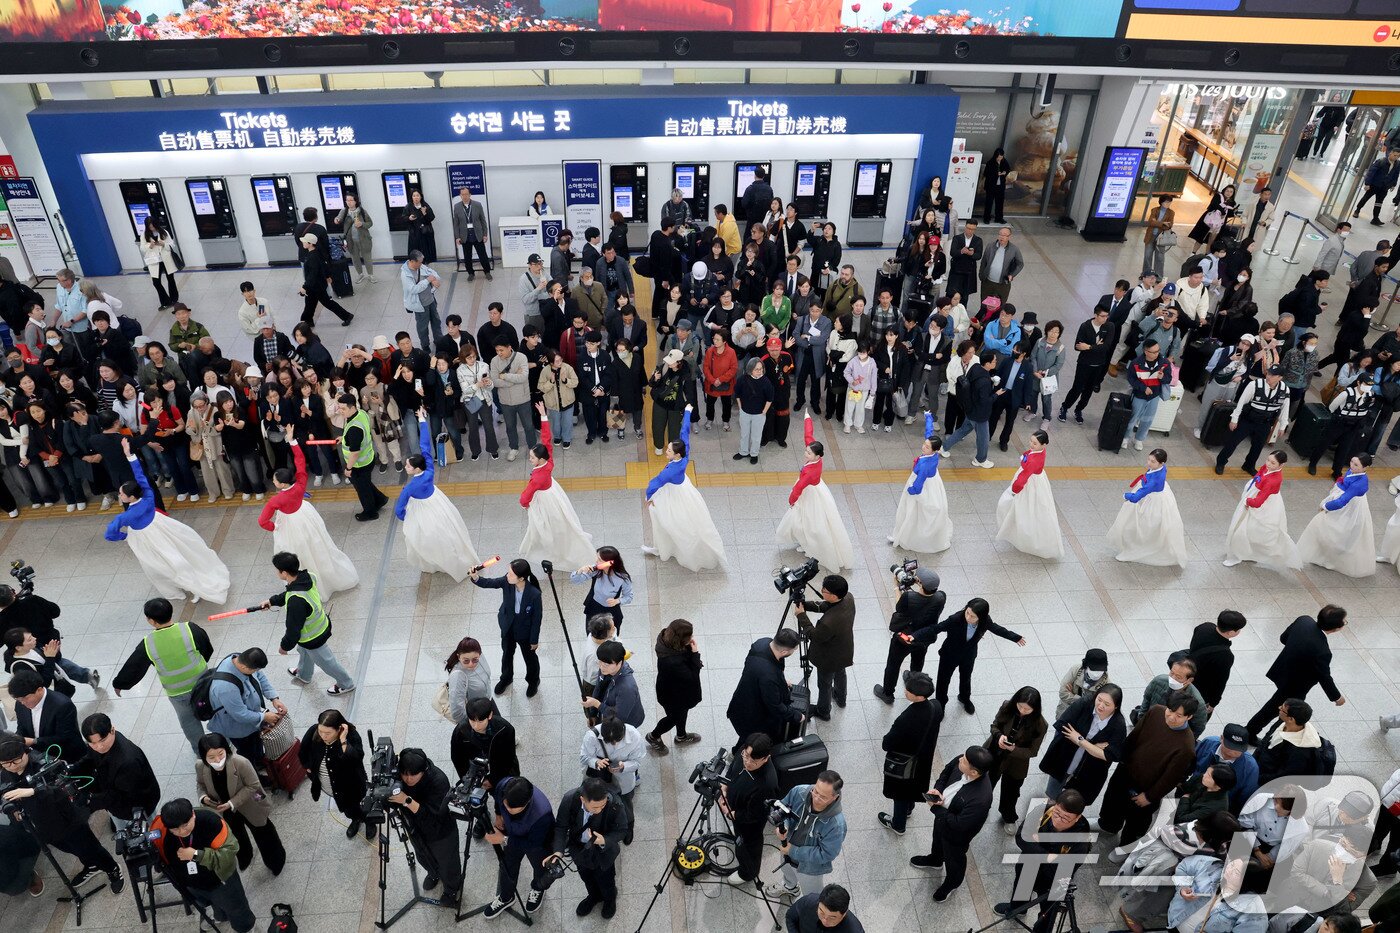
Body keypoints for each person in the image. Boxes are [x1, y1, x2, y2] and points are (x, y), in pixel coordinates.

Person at [103, 438, 230, 603]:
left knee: (158, 568)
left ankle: (179, 591)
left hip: (146, 539)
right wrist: (129, 455)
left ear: (131, 497)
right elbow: (140, 475)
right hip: (164, 527)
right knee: (181, 556)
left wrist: (125, 536)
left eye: (121, 494)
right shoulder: (148, 494)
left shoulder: (125, 516)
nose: (120, 495)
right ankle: (195, 585)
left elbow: (109, 533)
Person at [0, 734, 124, 893]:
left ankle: (112, 869)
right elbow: (6, 795)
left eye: (16, 761)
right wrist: (14, 810)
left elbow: (62, 789)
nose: (12, 766)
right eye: (6, 764)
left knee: (90, 848)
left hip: (67, 819)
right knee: (71, 849)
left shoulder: (43, 763)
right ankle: (92, 865)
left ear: (26, 751)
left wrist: (33, 791)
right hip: (43, 826)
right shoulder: (6, 773)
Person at [1097, 691, 1199, 849]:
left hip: (1146, 788)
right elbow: (1135, 735)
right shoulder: (1156, 711)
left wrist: (1150, 796)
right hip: (1126, 772)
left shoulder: (1186, 746)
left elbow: (1170, 778)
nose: (1171, 717)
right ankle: (1107, 826)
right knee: (1112, 802)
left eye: (1179, 716)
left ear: (1189, 717)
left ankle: (1125, 848)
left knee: (1136, 821)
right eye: (1170, 710)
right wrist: (1120, 758)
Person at [256, 437, 357, 596]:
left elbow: (262, 521)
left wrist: (274, 527)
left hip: (290, 523)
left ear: (282, 484)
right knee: (317, 543)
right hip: (306, 515)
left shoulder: (276, 500)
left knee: (298, 551)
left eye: (275, 481)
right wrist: (293, 441)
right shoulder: (300, 483)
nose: (273, 482)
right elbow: (300, 461)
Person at [112, 597, 211, 753]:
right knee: (216, 711)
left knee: (189, 722)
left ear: (151, 621)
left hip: (178, 693)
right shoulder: (189, 629)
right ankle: (223, 743)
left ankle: (203, 752)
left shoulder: (148, 643)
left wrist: (120, 684)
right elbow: (206, 648)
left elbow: (134, 667)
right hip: (204, 684)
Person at [395, 413, 479, 581]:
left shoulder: (410, 487)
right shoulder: (428, 469)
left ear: (416, 469)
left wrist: (407, 517)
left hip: (422, 510)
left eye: (408, 466)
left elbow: (399, 509)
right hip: (437, 502)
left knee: (426, 537)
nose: (406, 467)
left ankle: (435, 562)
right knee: (448, 528)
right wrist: (422, 420)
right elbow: (425, 445)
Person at [642, 406, 726, 571]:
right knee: (676, 520)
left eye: (669, 450)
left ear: (677, 454)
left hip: (673, 493)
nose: (666, 451)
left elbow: (657, 482)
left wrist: (648, 496)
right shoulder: (684, 451)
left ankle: (664, 548)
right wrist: (687, 412)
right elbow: (684, 431)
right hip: (683, 488)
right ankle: (664, 547)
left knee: (667, 520)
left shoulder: (671, 471)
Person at [1245, 608, 1347, 742]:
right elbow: (1324, 677)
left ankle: (1251, 731)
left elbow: (1283, 638)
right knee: (1288, 713)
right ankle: (1262, 738)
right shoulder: (1323, 651)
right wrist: (1336, 697)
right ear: (1336, 628)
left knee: (1276, 705)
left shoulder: (1304, 620)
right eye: (1344, 622)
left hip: (1283, 670)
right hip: (1297, 685)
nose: (1345, 622)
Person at [150, 798, 253, 931]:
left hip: (220, 881)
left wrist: (196, 855)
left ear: (193, 814)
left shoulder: (211, 822)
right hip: (191, 884)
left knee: (236, 908)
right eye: (175, 829)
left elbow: (228, 855)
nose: (181, 831)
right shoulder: (162, 830)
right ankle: (219, 917)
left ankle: (245, 928)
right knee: (208, 904)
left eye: (185, 825)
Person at [262, 551, 355, 696]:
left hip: (313, 637)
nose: (276, 572)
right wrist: (272, 601)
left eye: (277, 570)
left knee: (327, 662)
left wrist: (284, 646)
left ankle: (346, 683)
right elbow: (290, 593)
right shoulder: (308, 577)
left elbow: (293, 630)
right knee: (303, 651)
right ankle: (304, 674)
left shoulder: (296, 601)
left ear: (284, 573)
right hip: (319, 625)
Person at [911, 745, 996, 901]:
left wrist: (936, 808)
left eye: (964, 760)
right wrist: (938, 790)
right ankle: (935, 860)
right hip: (942, 819)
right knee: (937, 840)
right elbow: (946, 771)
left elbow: (959, 824)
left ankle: (952, 883)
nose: (960, 759)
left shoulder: (981, 799)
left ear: (974, 772)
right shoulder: (962, 762)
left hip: (957, 836)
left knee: (954, 860)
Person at [517, 403, 595, 569]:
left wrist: (524, 504)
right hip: (553, 491)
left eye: (532, 458)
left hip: (545, 499)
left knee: (549, 525)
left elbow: (526, 495)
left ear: (540, 459)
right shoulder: (549, 459)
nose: (530, 459)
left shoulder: (538, 477)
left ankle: (556, 550)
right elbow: (546, 438)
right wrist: (543, 415)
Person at [195, 733, 286, 875]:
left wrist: (232, 803)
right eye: (211, 757)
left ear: (226, 749)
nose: (217, 760)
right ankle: (245, 857)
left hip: (250, 802)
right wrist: (203, 797)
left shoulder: (240, 762)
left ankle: (276, 861)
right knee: (235, 835)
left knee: (263, 832)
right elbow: (200, 784)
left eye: (220, 754)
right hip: (225, 809)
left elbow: (253, 785)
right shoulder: (200, 766)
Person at [776, 413, 854, 570]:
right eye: (806, 451)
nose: (805, 454)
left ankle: (810, 545)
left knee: (810, 521)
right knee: (807, 519)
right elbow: (808, 435)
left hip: (810, 493)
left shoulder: (810, 472)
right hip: (815, 489)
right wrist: (807, 419)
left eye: (808, 453)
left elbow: (799, 487)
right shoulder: (815, 456)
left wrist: (792, 500)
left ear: (817, 455)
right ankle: (805, 543)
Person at [388, 748, 462, 906]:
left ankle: (452, 889)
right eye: (404, 774)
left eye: (413, 775)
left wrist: (407, 801)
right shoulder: (401, 778)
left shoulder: (439, 781)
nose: (408, 779)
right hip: (415, 827)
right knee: (422, 854)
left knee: (448, 863)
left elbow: (433, 818)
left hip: (440, 831)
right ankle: (433, 873)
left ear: (424, 770)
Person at [549, 778, 628, 920]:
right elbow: (561, 826)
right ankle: (594, 896)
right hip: (579, 850)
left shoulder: (614, 804)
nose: (599, 810)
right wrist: (558, 852)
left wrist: (604, 840)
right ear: (583, 800)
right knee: (586, 877)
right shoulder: (570, 800)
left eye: (602, 805)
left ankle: (609, 899)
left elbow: (622, 830)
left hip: (603, 853)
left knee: (606, 880)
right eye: (595, 807)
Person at [930, 598, 1025, 713]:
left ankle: (964, 698)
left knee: (966, 678)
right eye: (967, 613)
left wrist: (1015, 637)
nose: (968, 617)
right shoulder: (955, 619)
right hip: (949, 655)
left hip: (968, 655)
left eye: (973, 616)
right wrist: (916, 636)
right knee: (943, 680)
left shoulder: (985, 621)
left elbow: (998, 629)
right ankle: (941, 704)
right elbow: (936, 628)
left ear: (981, 617)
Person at [766, 771, 847, 903]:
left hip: (810, 866)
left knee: (812, 895)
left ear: (835, 797)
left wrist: (793, 851)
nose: (816, 799)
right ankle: (789, 886)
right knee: (787, 870)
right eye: (815, 791)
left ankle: (810, 907)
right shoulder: (799, 792)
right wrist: (783, 826)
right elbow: (783, 808)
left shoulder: (836, 825)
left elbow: (827, 854)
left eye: (823, 797)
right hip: (787, 846)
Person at [877, 671, 942, 835]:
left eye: (908, 690)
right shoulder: (935, 706)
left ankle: (898, 825)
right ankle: (908, 809)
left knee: (900, 793)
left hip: (905, 762)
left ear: (919, 696)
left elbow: (887, 743)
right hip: (923, 760)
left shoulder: (907, 718)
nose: (905, 691)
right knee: (913, 788)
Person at [481, 776, 554, 918]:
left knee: (540, 867)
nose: (506, 808)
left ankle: (538, 888)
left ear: (526, 803)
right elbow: (499, 801)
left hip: (537, 841)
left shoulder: (542, 815)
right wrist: (498, 815)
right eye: (506, 804)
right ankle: (506, 897)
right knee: (507, 865)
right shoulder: (504, 786)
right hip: (513, 832)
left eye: (511, 808)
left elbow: (533, 845)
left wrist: (503, 839)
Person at [1041, 683, 1126, 804]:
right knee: (1053, 793)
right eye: (1099, 700)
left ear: (1116, 706)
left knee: (1073, 802)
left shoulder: (1118, 725)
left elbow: (1110, 755)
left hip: (1088, 770)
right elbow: (1063, 725)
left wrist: (1081, 740)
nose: (1100, 706)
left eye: (1107, 704)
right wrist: (1093, 747)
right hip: (1066, 757)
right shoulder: (1085, 703)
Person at [470, 559, 543, 699]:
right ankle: (506, 678)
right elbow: (490, 583)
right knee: (507, 654)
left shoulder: (534, 594)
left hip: (525, 632)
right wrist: (475, 577)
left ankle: (533, 681)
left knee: (530, 658)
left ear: (521, 578)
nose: (507, 575)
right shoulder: (506, 581)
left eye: (511, 574)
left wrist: (534, 640)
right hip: (508, 627)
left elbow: (537, 619)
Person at [206, 648, 287, 768]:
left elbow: (260, 677)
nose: (257, 672)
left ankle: (259, 762)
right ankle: (252, 774)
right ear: (244, 667)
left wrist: (274, 698)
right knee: (247, 754)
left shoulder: (240, 659)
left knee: (257, 746)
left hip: (252, 722)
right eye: (255, 670)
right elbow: (239, 714)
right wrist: (264, 716)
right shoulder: (226, 687)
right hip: (238, 729)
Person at [875, 567, 945, 703]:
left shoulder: (908, 597)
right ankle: (914, 685)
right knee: (918, 661)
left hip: (905, 638)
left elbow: (899, 608)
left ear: (920, 583)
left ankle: (888, 693)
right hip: (924, 637)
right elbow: (925, 600)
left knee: (893, 664)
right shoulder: (941, 596)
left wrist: (897, 587)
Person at [1223, 449, 1301, 572]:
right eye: (1268, 460)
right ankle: (1247, 552)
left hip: (1263, 503)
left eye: (1273, 463)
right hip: (1259, 495)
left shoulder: (1273, 480)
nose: (1268, 464)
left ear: (1281, 465)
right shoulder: (1269, 468)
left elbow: (1258, 502)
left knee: (1244, 528)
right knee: (1251, 529)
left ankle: (1239, 554)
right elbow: (1260, 474)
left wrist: (1247, 501)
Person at [78, 712, 160, 829]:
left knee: (151, 830)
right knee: (119, 826)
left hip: (137, 806)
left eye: (102, 740)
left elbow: (118, 796)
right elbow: (90, 758)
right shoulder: (107, 742)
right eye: (93, 743)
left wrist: (90, 800)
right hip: (116, 805)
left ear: (112, 730)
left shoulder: (128, 761)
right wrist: (74, 769)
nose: (99, 747)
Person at [298, 709, 371, 840]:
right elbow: (303, 750)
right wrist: (307, 767)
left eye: (328, 733)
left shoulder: (351, 736)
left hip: (351, 785)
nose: (323, 736)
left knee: (359, 803)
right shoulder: (314, 731)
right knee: (348, 809)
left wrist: (343, 740)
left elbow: (356, 759)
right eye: (321, 731)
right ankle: (356, 819)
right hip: (330, 786)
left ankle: (369, 821)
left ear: (339, 729)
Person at [1107, 448, 1187, 567]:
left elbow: (1137, 497)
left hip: (1153, 501)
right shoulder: (1161, 469)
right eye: (1149, 459)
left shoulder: (1154, 480)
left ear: (1161, 463)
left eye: (1153, 461)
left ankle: (1136, 549)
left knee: (1143, 526)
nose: (1149, 463)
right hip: (1159, 496)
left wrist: (1126, 495)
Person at [1299, 455, 1375, 577]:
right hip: (1344, 500)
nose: (1352, 466)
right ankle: (1324, 553)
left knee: (1337, 529)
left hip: (1349, 507)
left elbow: (1342, 502)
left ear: (1365, 468)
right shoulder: (1354, 472)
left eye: (1356, 465)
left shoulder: (1359, 484)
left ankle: (1330, 556)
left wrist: (1325, 506)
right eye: (1352, 461)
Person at [984, 686, 1048, 830]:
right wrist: (999, 736)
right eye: (1020, 706)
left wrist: (1013, 749)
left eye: (1027, 709)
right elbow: (995, 726)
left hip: (1016, 763)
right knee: (986, 784)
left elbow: (1032, 751)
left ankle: (1008, 816)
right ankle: (982, 807)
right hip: (995, 753)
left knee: (1011, 792)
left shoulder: (1040, 724)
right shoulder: (1007, 706)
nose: (1022, 711)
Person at [888, 412, 952, 553]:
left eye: (927, 447)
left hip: (922, 487)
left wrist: (910, 490)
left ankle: (904, 535)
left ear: (934, 449)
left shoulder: (924, 465)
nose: (924, 447)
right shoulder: (934, 455)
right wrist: (928, 418)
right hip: (933, 484)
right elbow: (929, 432)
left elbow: (918, 485)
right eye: (924, 444)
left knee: (910, 510)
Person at [795, 574, 856, 721]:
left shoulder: (829, 623)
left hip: (828, 658)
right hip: (843, 650)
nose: (822, 590)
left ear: (834, 595)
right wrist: (806, 605)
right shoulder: (848, 597)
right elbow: (828, 606)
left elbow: (814, 635)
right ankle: (841, 698)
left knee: (824, 684)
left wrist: (801, 615)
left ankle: (823, 711)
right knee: (840, 673)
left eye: (824, 590)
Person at [727, 631, 804, 745]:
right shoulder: (769, 677)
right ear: (784, 652)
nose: (794, 652)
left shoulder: (761, 643)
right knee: (753, 742)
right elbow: (775, 705)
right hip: (752, 716)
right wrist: (797, 716)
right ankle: (739, 753)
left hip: (741, 704)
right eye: (794, 650)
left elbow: (764, 671)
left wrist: (781, 681)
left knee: (747, 738)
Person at [996, 429, 1062, 559]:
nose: (1031, 444)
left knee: (1023, 506)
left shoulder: (1033, 461)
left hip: (1030, 483)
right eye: (1031, 441)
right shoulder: (1040, 451)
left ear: (1044, 445)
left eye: (1035, 443)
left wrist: (1014, 490)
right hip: (1037, 480)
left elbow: (1023, 478)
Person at [578, 713, 643, 845]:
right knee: (598, 804)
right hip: (600, 778)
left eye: (617, 740)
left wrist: (624, 766)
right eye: (609, 741)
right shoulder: (592, 736)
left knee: (625, 804)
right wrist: (596, 762)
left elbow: (637, 761)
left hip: (623, 780)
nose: (614, 744)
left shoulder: (634, 736)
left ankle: (628, 826)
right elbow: (584, 757)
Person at [646, 618, 703, 750]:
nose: (692, 638)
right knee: (673, 718)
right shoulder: (673, 662)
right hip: (673, 696)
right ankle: (653, 736)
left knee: (682, 713)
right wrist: (695, 654)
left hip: (672, 689)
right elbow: (692, 676)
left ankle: (681, 736)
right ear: (680, 639)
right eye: (689, 636)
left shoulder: (666, 642)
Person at [7, 665, 81, 762]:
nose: (22, 703)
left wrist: (34, 741)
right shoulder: (20, 704)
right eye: (18, 699)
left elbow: (65, 737)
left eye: (25, 698)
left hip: (64, 755)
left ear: (39, 690)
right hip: (37, 755)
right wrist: (17, 739)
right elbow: (22, 727)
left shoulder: (63, 705)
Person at [336, 393, 388, 521]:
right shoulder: (361, 413)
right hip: (368, 459)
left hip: (359, 465)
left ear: (352, 407)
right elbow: (359, 435)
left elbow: (355, 452)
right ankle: (380, 499)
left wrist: (348, 468)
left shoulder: (354, 429)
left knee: (363, 490)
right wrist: (344, 438)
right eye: (339, 408)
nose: (340, 411)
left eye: (343, 409)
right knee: (366, 484)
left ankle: (370, 513)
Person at [1188, 611, 1247, 717]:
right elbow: (1219, 682)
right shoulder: (1225, 656)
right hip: (1200, 689)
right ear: (1230, 633)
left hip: (1188, 671)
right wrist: (1213, 703)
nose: (1239, 632)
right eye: (1238, 630)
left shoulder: (1204, 627)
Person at [452, 697, 521, 787]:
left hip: (502, 772)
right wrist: (467, 779)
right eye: (472, 721)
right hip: (476, 772)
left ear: (490, 715)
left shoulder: (504, 729)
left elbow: (508, 757)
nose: (476, 726)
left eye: (480, 721)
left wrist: (493, 780)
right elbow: (457, 758)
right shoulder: (461, 731)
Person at [1193, 723, 1259, 812]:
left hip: (1218, 808)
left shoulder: (1250, 768)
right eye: (1230, 746)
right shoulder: (1208, 743)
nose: (1233, 752)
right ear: (1221, 738)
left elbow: (1245, 797)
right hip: (1193, 793)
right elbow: (1191, 763)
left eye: (1239, 749)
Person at [1122, 339, 1173, 451]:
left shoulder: (1164, 363)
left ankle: (1139, 439)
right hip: (1139, 396)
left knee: (1148, 419)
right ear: (1146, 352)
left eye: (1158, 351)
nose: (1157, 354)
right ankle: (1125, 437)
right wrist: (1143, 388)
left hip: (1154, 396)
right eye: (1154, 352)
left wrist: (1162, 377)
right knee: (1132, 418)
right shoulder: (1136, 363)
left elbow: (1168, 379)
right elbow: (1131, 379)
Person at [582, 640, 644, 728]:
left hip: (625, 723)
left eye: (606, 664)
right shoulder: (606, 668)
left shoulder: (627, 688)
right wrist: (593, 714)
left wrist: (597, 704)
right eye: (599, 661)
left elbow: (619, 717)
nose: (601, 667)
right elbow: (598, 688)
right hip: (608, 710)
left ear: (620, 662)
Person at [786, 883, 865, 933]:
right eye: (821, 912)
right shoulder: (808, 902)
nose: (824, 920)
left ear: (844, 914)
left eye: (832, 917)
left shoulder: (855, 930)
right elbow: (790, 917)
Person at [451, 187, 492, 281]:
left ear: (470, 195)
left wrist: (485, 234)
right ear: (460, 195)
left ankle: (487, 272)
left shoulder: (477, 205)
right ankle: (470, 273)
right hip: (464, 236)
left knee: (483, 255)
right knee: (467, 257)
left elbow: (483, 220)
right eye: (462, 194)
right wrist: (457, 237)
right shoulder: (457, 207)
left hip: (477, 235)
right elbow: (456, 224)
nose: (464, 196)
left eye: (466, 194)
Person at [1355, 147, 1400, 226]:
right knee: (1365, 198)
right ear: (1390, 153)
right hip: (1375, 185)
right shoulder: (1381, 161)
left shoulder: (1397, 164)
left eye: (1398, 156)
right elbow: (1371, 172)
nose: (1396, 157)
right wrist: (1367, 183)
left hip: (1384, 187)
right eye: (1395, 155)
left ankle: (1375, 218)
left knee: (1379, 203)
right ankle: (1357, 210)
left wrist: (1393, 184)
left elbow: (1396, 175)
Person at [1143, 195, 1176, 278]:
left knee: (1160, 257)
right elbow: (1150, 222)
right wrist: (1163, 223)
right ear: (1161, 202)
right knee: (1147, 256)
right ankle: (1146, 274)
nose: (1168, 204)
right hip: (1151, 236)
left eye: (1169, 202)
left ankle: (1158, 276)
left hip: (1161, 238)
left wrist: (1157, 222)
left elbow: (1169, 225)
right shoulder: (1154, 210)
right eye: (1166, 202)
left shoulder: (1171, 213)